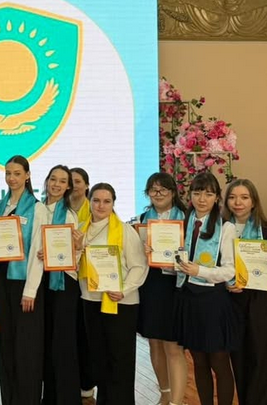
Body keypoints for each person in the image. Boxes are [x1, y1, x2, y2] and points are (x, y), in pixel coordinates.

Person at [78, 183, 147, 404]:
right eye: (96, 200)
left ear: (113, 204)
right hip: (91, 300)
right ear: (89, 201)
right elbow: (74, 266)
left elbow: (139, 266)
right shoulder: (80, 229)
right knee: (99, 358)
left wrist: (123, 290)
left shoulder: (124, 230)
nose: (101, 205)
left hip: (121, 303)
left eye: (106, 201)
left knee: (120, 360)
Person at [175, 172, 238, 405]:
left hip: (212, 301)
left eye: (209, 194)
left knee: (219, 362)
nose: (202, 199)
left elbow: (229, 270)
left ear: (217, 198)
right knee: (199, 362)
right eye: (197, 193)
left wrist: (199, 271)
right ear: (190, 195)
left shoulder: (226, 227)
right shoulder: (182, 223)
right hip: (188, 298)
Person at [0, 156, 42, 405]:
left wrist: (31, 290)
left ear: (27, 175)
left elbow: (38, 252)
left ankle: (28, 399)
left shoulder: (37, 208)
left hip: (25, 283)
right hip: (3, 280)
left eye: (17, 173)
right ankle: (9, 398)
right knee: (7, 342)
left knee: (26, 345)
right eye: (8, 173)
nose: (11, 178)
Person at [22, 164, 82, 405]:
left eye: (62, 181)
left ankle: (67, 399)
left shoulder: (69, 215)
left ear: (68, 187)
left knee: (62, 344)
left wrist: (57, 254)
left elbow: (74, 256)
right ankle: (50, 397)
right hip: (42, 282)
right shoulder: (36, 208)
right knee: (45, 342)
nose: (56, 184)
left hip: (63, 284)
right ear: (46, 181)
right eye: (53, 179)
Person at [224, 178, 267, 405]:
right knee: (240, 361)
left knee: (265, 362)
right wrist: (226, 282)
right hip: (233, 303)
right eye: (232, 197)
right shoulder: (220, 230)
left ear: (253, 201)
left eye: (244, 197)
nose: (238, 202)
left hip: (264, 304)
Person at [136, 172, 188, 405]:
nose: (158, 194)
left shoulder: (186, 218)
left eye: (163, 189)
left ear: (173, 192)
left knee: (173, 347)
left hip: (175, 286)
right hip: (151, 286)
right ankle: (165, 394)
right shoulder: (141, 219)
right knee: (154, 343)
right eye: (153, 190)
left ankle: (177, 400)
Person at [69, 167, 94, 399]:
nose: (74, 185)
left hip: (88, 279)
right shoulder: (58, 209)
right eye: (71, 181)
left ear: (87, 185)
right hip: (64, 278)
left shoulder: (95, 209)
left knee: (85, 332)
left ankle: (87, 381)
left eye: (78, 181)